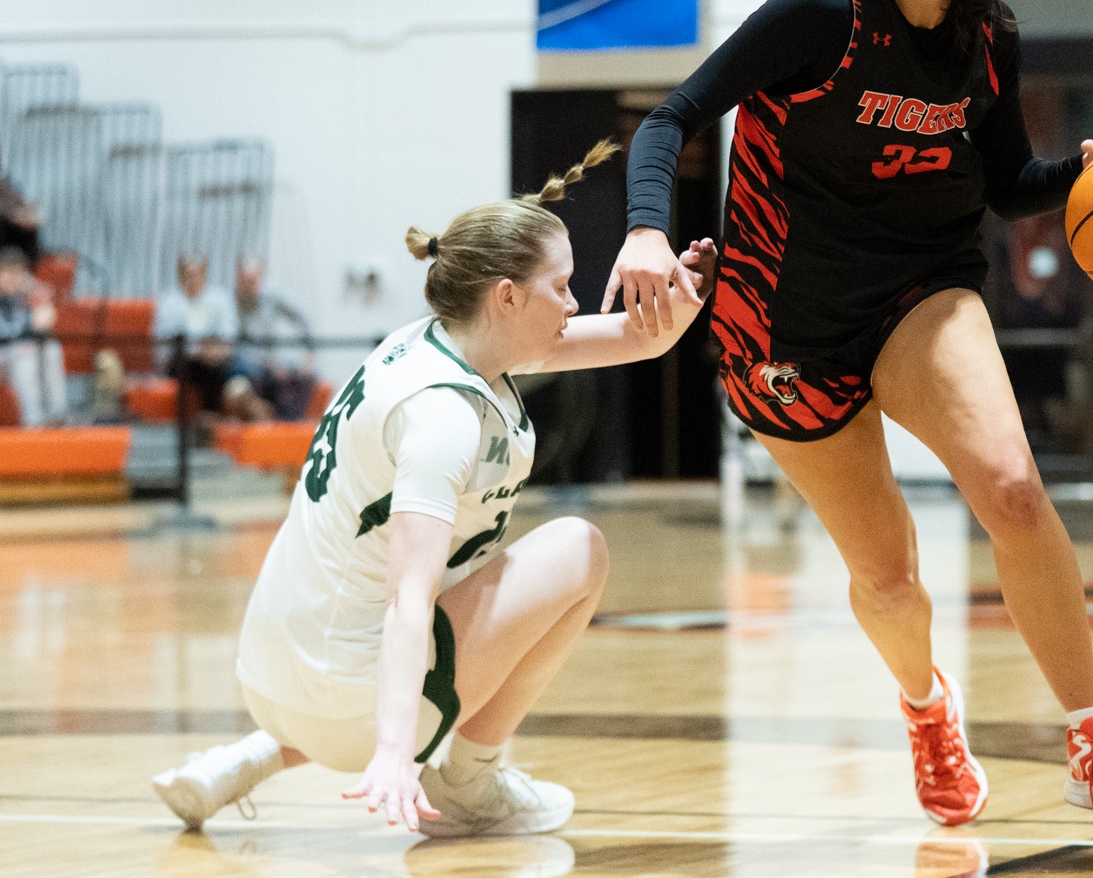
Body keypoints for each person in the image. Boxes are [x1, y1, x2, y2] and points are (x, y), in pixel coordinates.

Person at [605, 0, 1093, 826]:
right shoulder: (825, 12)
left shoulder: (989, 37)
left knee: (1010, 486)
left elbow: (1006, 188)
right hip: (784, 319)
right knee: (884, 569)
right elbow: (670, 118)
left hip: (924, 289)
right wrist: (648, 232)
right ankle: (925, 708)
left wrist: (1089, 171)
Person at [151, 142, 719, 837]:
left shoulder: (432, 343)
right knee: (579, 549)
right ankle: (467, 781)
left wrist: (682, 293)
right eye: (562, 286)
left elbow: (640, 339)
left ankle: (238, 762)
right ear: (505, 296)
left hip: (272, 678)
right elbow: (406, 598)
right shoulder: (442, 417)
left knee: (426, 600)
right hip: (351, 702)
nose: (574, 301)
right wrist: (393, 752)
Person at [153, 256, 247, 420]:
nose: (192, 280)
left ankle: (215, 422)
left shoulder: (219, 298)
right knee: (206, 369)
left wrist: (216, 350)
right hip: (180, 362)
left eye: (197, 274)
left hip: (218, 359)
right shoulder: (169, 302)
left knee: (241, 370)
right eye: (187, 275)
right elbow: (164, 343)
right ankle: (204, 421)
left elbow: (228, 332)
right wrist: (199, 352)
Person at [233, 256, 321, 421]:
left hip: (275, 361)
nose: (249, 286)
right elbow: (237, 349)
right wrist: (270, 365)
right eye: (245, 280)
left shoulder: (271, 299)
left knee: (305, 377)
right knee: (260, 376)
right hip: (249, 364)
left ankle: (292, 428)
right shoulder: (231, 304)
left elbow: (302, 319)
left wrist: (309, 356)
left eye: (253, 280)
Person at [0, 246, 67, 426]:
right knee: (24, 354)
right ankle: (36, 421)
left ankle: (52, 418)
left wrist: (38, 297)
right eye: (7, 273)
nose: (12, 279)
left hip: (18, 354)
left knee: (49, 349)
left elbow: (44, 326)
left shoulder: (30, 295)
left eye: (17, 274)